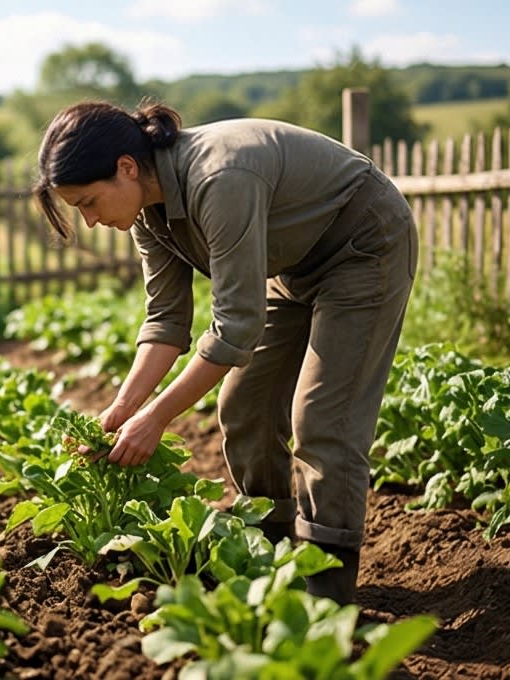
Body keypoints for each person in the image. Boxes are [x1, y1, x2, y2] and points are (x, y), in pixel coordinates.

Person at [32, 99, 418, 605]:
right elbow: (166, 322)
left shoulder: (220, 178)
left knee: (323, 418)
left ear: (126, 168)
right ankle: (272, 557)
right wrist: (123, 410)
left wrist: (156, 418)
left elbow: (235, 328)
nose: (89, 221)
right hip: (292, 264)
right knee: (244, 403)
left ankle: (326, 593)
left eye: (87, 202)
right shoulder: (149, 212)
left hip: (363, 244)